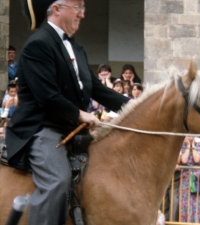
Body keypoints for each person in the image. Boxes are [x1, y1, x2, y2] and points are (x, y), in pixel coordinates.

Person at [5, 1, 130, 225]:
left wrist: (136, 106)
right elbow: (47, 96)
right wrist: (80, 114)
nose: (83, 14)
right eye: (78, 7)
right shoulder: (38, 44)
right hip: (42, 130)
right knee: (57, 180)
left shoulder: (77, 49)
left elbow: (98, 89)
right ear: (57, 9)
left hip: (72, 131)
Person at [179, 136, 200, 223]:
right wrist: (188, 146)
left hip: (198, 182)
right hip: (186, 182)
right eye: (188, 135)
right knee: (187, 206)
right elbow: (184, 160)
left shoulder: (199, 145)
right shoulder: (182, 147)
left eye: (191, 135)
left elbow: (197, 159)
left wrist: (193, 146)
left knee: (198, 207)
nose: (190, 137)